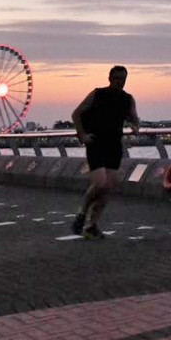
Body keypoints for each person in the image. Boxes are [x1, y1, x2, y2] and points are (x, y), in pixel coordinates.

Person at [70, 65, 140, 239]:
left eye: (123, 79)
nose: (120, 82)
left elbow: (134, 117)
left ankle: (92, 225)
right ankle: (81, 213)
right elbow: (76, 114)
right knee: (101, 184)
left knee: (108, 187)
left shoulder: (128, 99)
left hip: (114, 146)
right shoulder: (97, 94)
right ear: (109, 78)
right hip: (96, 144)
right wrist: (82, 136)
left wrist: (135, 126)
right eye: (116, 78)